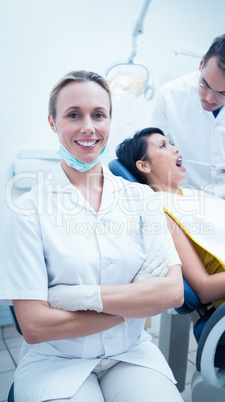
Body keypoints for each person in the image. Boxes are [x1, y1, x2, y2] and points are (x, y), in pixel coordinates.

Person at [0, 72, 185, 402]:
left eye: (98, 115)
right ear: (53, 123)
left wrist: (76, 297)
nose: (88, 126)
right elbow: (36, 326)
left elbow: (171, 293)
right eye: (74, 115)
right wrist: (137, 300)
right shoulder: (28, 210)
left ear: (110, 121)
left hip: (132, 354)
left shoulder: (142, 199)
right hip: (55, 362)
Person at [116, 127, 225, 326]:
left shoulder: (190, 197)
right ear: (144, 166)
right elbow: (205, 290)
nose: (176, 149)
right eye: (163, 145)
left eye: (171, 143)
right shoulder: (161, 212)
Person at [151, 32, 225, 223]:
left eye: (224, 93)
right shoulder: (170, 94)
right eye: (204, 85)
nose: (209, 99)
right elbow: (154, 148)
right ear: (201, 63)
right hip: (189, 205)